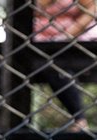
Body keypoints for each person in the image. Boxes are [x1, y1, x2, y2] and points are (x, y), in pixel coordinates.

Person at [34, 0, 95, 131]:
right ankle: (80, 119)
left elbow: (90, 10)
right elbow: (34, 10)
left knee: (62, 64)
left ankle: (79, 120)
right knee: (54, 67)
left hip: (74, 39)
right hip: (40, 41)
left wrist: (66, 36)